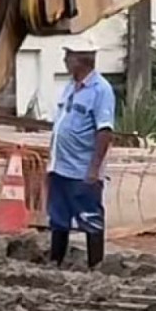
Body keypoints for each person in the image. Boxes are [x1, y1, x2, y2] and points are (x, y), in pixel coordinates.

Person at [47, 43, 114, 270]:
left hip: (82, 169)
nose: (65, 60)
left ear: (80, 59)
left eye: (68, 56)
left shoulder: (100, 90)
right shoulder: (71, 86)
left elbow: (104, 131)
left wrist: (94, 169)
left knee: (89, 217)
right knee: (58, 218)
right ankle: (55, 262)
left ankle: (95, 266)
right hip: (60, 167)